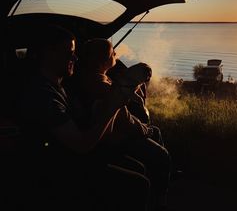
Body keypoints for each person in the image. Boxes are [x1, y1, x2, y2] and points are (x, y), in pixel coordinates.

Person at [16, 24, 150, 211]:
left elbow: (99, 133)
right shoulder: (42, 95)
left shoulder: (60, 87)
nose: (75, 57)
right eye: (69, 52)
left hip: (75, 158)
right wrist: (113, 106)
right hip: (59, 169)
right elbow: (81, 145)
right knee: (138, 184)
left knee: (137, 168)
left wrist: (115, 102)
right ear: (49, 53)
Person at [71, 38, 171, 210]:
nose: (116, 54)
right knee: (162, 153)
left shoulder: (90, 78)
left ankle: (161, 175)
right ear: (103, 60)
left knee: (155, 133)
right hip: (114, 138)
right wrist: (145, 130)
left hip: (112, 133)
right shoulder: (102, 86)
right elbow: (126, 121)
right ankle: (160, 199)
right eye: (113, 53)